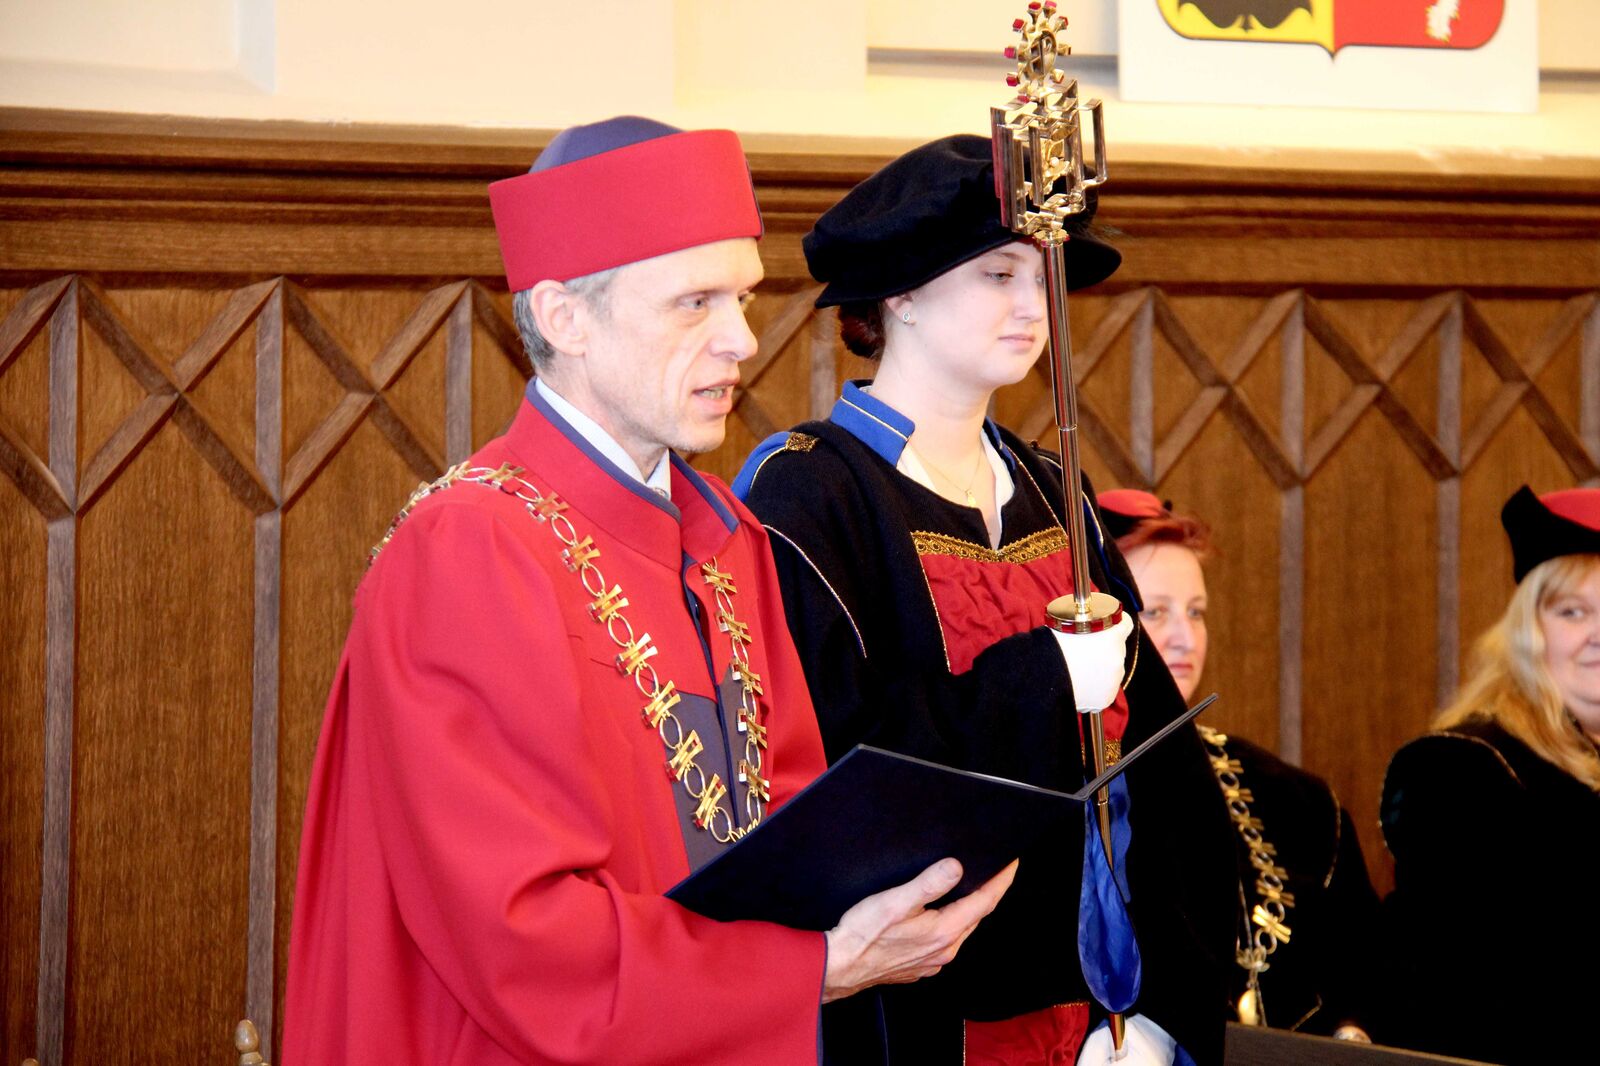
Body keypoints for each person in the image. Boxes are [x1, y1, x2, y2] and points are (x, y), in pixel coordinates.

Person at [280, 116, 1017, 1066]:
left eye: (741, 298)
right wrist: (818, 967)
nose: (741, 339)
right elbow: (520, 939)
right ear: (565, 318)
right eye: (694, 303)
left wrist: (905, 883)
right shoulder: (469, 550)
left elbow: (792, 821)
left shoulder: (727, 534)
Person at [735, 135, 1237, 1065]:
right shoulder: (809, 492)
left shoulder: (1054, 487)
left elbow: (1162, 778)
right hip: (923, 1007)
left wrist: (1158, 1011)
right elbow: (835, 775)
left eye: (1043, 277)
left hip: (1099, 1018)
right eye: (999, 274)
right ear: (901, 294)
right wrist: (1041, 679)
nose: (1034, 306)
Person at [1097, 489, 1381, 1041]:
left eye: (1196, 612)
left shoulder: (1299, 803)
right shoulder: (1066, 789)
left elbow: (1365, 967)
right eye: (1155, 611)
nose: (1186, 638)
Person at [1380, 485, 1600, 1065]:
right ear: (1529, 631)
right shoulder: (1460, 771)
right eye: (1573, 611)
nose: (1598, 633)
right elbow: (1455, 1000)